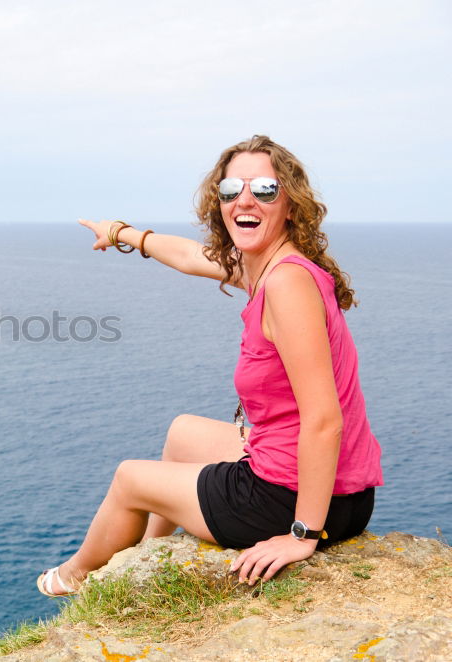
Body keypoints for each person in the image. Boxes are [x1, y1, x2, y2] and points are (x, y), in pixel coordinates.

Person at [37, 135, 383, 596]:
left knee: (129, 478)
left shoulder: (286, 286)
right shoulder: (271, 267)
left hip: (294, 501)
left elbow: (324, 420)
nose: (244, 199)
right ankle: (144, 556)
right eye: (230, 190)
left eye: (263, 189)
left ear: (292, 205)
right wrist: (122, 233)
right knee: (182, 433)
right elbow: (187, 256)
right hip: (336, 488)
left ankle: (74, 576)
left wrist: (301, 535)